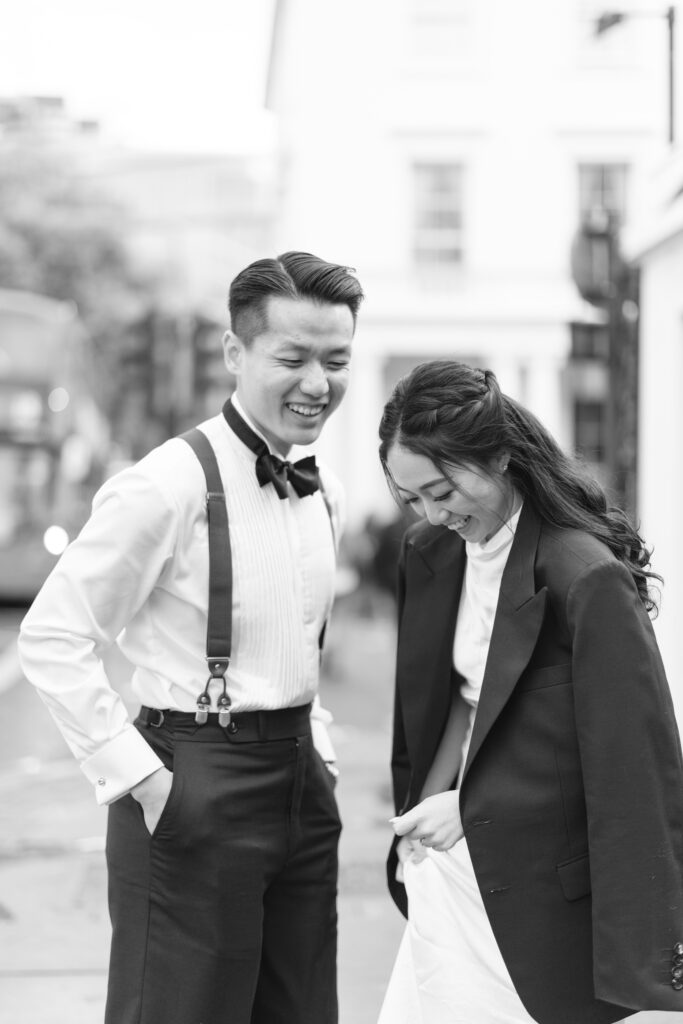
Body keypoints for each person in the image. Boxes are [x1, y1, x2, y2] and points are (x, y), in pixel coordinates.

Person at [17, 251, 364, 1024]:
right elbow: (52, 636)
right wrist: (143, 780)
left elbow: (297, 644)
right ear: (235, 353)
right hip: (191, 780)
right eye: (294, 358)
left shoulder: (326, 491)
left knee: (302, 1008)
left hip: (303, 784)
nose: (318, 383)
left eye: (337, 360)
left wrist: (323, 753)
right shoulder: (164, 484)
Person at [376, 359, 683, 1024]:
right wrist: (426, 814)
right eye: (411, 499)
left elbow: (631, 772)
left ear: (500, 457)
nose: (432, 513)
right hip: (446, 875)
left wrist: (656, 957)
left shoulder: (585, 574)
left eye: (442, 489)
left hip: (544, 908)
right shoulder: (426, 555)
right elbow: (455, 702)